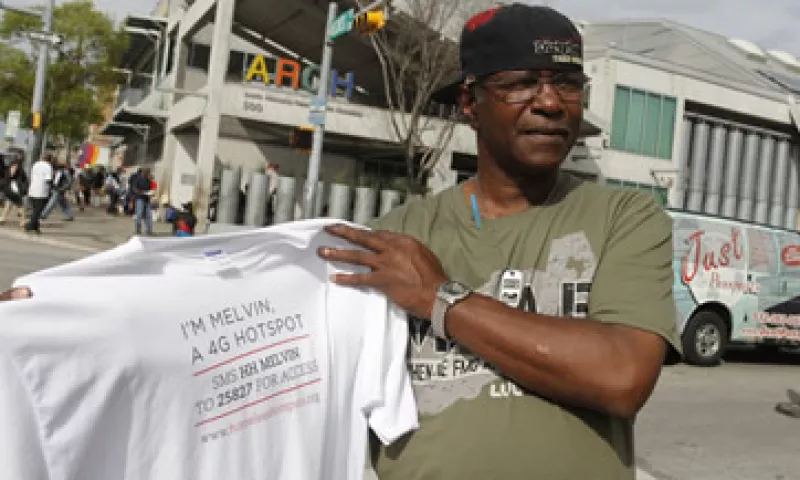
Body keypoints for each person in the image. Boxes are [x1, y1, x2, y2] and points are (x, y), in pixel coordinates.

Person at [316, 5, 679, 479]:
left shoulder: (624, 218)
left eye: (567, 83)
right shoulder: (400, 236)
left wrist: (441, 298)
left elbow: (622, 376)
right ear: (470, 103)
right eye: (521, 83)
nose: (551, 102)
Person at [25, 154, 54, 234]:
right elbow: (48, 179)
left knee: (35, 210)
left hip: (32, 189)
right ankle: (29, 226)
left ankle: (36, 227)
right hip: (42, 191)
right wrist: (53, 187)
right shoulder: (48, 166)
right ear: (49, 159)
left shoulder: (35, 164)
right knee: (38, 210)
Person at [0, 155, 28, 226]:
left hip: (9, 187)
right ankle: (23, 221)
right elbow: (12, 174)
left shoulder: (12, 166)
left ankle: (2, 218)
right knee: (21, 205)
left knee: (8, 203)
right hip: (13, 188)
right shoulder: (15, 166)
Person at [131, 167, 154, 235]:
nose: (148, 174)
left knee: (148, 215)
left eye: (148, 173)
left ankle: (149, 230)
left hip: (147, 199)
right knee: (139, 214)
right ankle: (138, 230)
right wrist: (140, 192)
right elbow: (134, 188)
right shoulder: (138, 179)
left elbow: (151, 188)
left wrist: (151, 193)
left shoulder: (149, 180)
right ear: (143, 172)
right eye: (147, 173)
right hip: (140, 198)